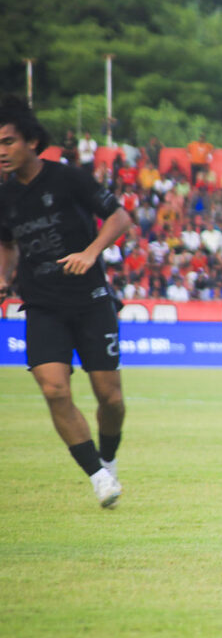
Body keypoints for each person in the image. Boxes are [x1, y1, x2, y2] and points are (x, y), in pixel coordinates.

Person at [0, 96, 133, 509]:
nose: (1, 151)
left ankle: (108, 460)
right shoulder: (4, 197)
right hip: (41, 304)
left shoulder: (69, 178)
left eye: (7, 141)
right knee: (54, 389)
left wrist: (91, 252)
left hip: (91, 299)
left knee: (111, 399)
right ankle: (98, 477)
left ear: (32, 141)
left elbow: (120, 217)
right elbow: (7, 244)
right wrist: (3, 277)